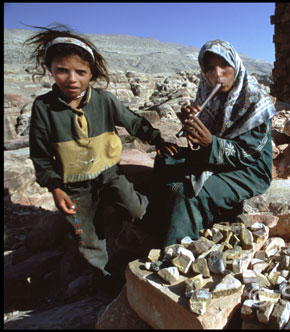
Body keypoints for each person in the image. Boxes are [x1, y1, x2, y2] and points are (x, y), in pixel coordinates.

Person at [26, 24, 169, 277]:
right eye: (62, 70)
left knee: (136, 210)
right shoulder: (43, 108)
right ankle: (104, 279)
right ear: (50, 69)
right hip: (73, 184)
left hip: (109, 173)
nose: (72, 79)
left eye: (80, 72)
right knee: (89, 240)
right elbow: (40, 154)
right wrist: (56, 188)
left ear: (91, 73)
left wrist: (158, 141)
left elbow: (133, 122)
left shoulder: (103, 100)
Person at [149, 39, 276, 246]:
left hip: (249, 171)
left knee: (189, 195)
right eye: (210, 68)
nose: (217, 74)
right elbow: (202, 141)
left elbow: (250, 153)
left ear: (235, 65)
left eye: (224, 65)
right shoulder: (208, 92)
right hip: (217, 158)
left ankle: (178, 254)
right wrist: (193, 126)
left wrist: (211, 143)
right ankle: (155, 225)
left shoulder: (255, 101)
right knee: (166, 159)